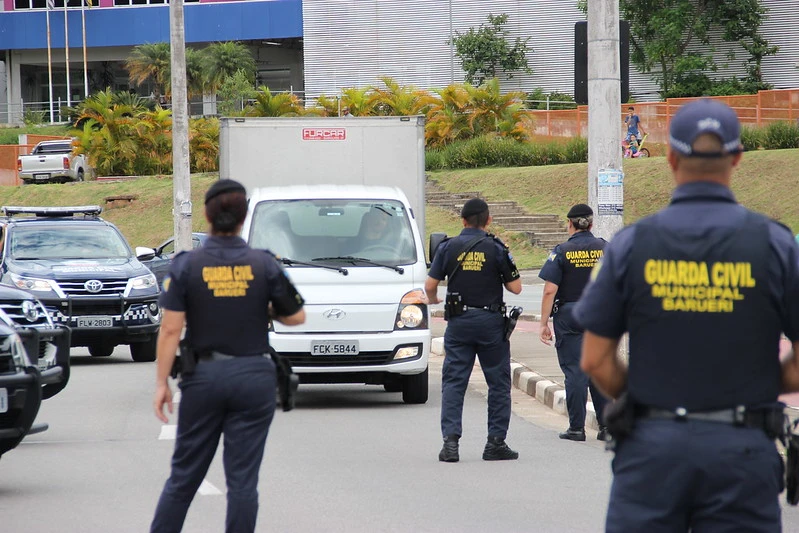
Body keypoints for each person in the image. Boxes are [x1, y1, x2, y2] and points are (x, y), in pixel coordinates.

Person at [575, 98, 799, 531]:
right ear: (736, 158)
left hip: (652, 451)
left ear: (672, 157)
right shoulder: (776, 246)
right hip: (743, 452)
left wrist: (642, 395)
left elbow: (594, 360)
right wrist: (752, 387)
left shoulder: (629, 245)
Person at [150, 179, 306, 533]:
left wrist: (161, 382)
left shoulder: (187, 265)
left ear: (206, 214)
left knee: (184, 477)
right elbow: (296, 316)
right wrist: (264, 307)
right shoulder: (264, 264)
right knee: (243, 482)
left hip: (203, 379)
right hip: (254, 378)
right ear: (243, 216)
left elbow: (171, 329)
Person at [425, 198, 523, 463]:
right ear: (488, 220)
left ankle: (451, 443)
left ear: (463, 220)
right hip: (491, 324)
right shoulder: (496, 247)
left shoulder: (448, 247)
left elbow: (430, 283)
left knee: (455, 382)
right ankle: (495, 443)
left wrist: (433, 299)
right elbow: (516, 288)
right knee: (498, 384)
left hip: (459, 323)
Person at [538, 203, 608, 442]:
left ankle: (576, 428)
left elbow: (549, 291)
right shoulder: (605, 249)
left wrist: (544, 323)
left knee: (576, 372)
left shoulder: (561, 251)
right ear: (591, 224)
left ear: (570, 224)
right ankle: (607, 428)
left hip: (570, 315)